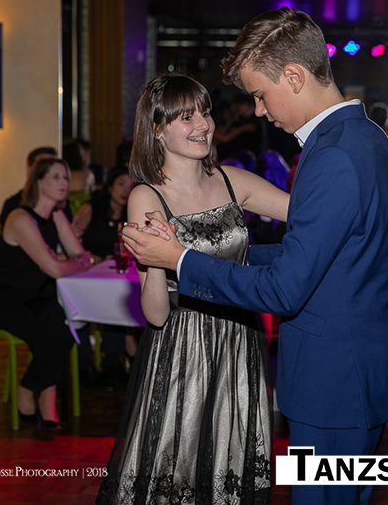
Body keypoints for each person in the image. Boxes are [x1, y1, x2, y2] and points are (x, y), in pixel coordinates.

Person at [121, 8, 388, 505]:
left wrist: (182, 259)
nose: (257, 110)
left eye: (259, 93)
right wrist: (225, 252)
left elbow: (285, 290)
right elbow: (326, 247)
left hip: (335, 378)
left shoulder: (333, 154)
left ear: (293, 77)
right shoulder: (366, 137)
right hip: (356, 367)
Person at [96, 72, 288, 504]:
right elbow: (156, 314)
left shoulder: (232, 180)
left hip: (241, 341)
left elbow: (308, 215)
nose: (203, 124)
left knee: (229, 468)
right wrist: (155, 260)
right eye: (186, 117)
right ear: (157, 130)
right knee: (178, 474)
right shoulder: (147, 197)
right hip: (185, 349)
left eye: (205, 112)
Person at [0, 158, 93, 429]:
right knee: (52, 326)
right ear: (38, 182)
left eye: (66, 178)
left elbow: (79, 254)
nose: (64, 183)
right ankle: (47, 396)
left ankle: (30, 387)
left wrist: (74, 260)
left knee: (68, 318)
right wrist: (75, 261)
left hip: (32, 297)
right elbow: (57, 268)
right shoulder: (20, 218)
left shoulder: (56, 215)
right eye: (56, 177)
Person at [72, 167, 137, 382]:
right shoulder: (90, 209)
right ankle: (85, 365)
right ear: (110, 187)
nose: (126, 190)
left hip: (114, 277)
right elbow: (71, 243)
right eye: (121, 184)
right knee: (80, 301)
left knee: (120, 298)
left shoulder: (132, 216)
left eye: (131, 186)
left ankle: (112, 361)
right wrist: (98, 259)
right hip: (85, 274)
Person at [0, 146, 73, 226]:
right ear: (30, 170)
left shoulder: (58, 210)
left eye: (65, 177)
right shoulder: (14, 206)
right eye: (43, 166)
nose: (63, 182)